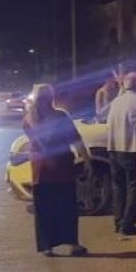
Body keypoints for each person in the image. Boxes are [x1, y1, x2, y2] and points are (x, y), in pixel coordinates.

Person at [24, 84, 91, 257]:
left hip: (40, 170)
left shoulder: (29, 119)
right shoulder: (60, 116)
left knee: (44, 209)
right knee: (67, 208)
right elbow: (76, 140)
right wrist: (86, 160)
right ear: (51, 97)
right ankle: (73, 244)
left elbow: (33, 141)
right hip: (62, 169)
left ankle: (47, 246)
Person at [105, 72, 136, 235]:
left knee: (118, 187)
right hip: (132, 149)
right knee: (133, 187)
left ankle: (118, 221)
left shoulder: (116, 102)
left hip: (113, 149)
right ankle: (128, 224)